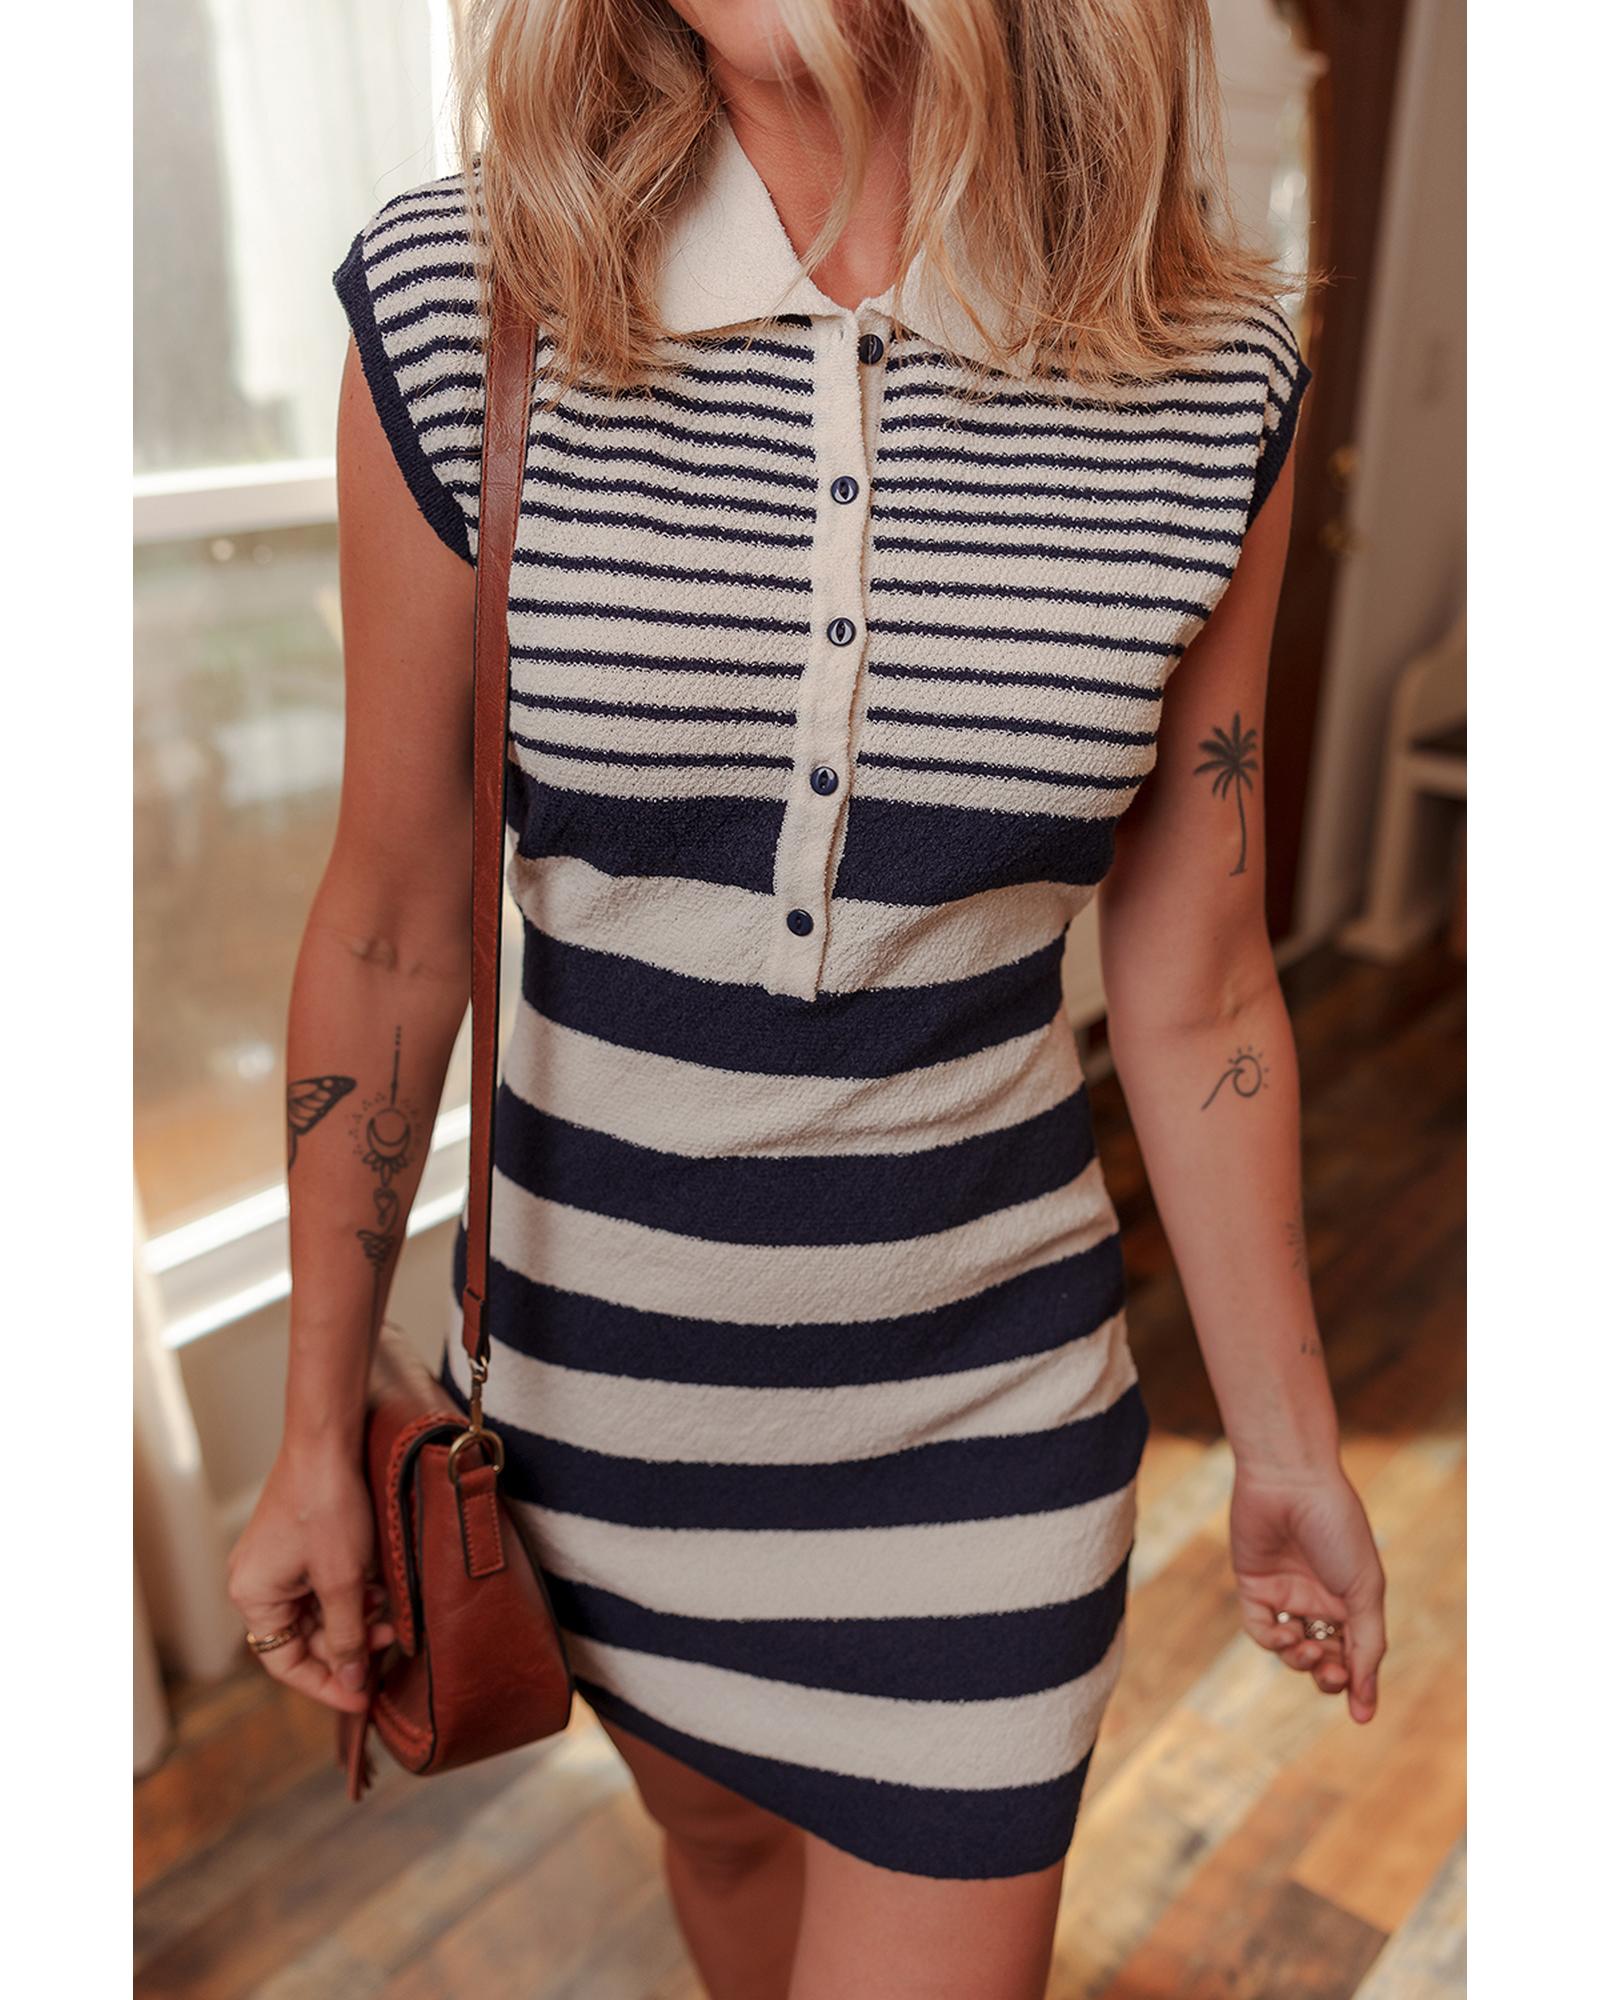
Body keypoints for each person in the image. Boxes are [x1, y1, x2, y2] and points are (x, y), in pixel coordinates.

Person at [227, 2, 1388, 1994]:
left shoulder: (1210, 381)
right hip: (588, 1441)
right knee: (726, 1861)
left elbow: (1197, 988)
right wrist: (314, 1426)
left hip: (981, 1445)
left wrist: (1284, 1444)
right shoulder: (461, 301)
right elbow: (394, 922)